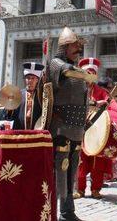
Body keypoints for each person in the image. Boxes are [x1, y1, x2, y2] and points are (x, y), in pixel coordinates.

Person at [45, 27, 88, 221]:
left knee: (72, 169)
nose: (78, 49)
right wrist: (88, 75)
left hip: (77, 128)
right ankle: (55, 213)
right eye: (75, 45)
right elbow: (68, 72)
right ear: (64, 46)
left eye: (79, 46)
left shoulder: (77, 69)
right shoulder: (57, 63)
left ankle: (68, 211)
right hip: (61, 128)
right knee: (60, 170)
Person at [74, 59, 117, 199]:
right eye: (88, 73)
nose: (90, 75)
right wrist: (94, 103)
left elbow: (111, 101)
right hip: (80, 130)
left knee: (98, 161)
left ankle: (96, 189)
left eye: (93, 73)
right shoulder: (77, 90)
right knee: (81, 162)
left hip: (97, 132)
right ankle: (80, 189)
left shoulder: (101, 91)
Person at [5, 62, 44, 130]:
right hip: (19, 132)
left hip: (36, 132)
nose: (30, 81)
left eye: (33, 78)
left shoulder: (42, 95)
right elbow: (9, 117)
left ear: (37, 80)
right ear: (25, 79)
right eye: (28, 78)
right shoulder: (17, 94)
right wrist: (9, 110)